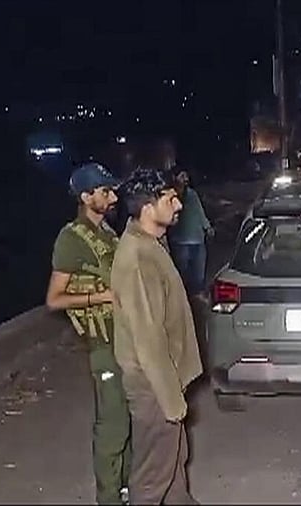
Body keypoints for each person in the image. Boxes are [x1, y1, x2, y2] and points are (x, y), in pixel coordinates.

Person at [110, 167, 204, 505]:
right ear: (148, 208)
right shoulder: (137, 258)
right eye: (170, 199)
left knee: (174, 465)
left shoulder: (150, 243)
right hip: (153, 386)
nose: (178, 204)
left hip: (164, 379)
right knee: (152, 478)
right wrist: (170, 400)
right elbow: (147, 338)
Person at [45, 162, 131, 505]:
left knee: (128, 421)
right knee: (112, 426)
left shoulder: (107, 232)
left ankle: (126, 488)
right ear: (85, 197)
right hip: (102, 344)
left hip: (123, 337)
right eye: (104, 191)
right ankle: (108, 498)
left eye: (112, 190)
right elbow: (54, 300)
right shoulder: (71, 239)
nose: (112, 196)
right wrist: (103, 296)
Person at [165, 170, 214, 300]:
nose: (185, 178)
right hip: (180, 241)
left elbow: (199, 211)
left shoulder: (192, 194)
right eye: (181, 175)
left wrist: (207, 227)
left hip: (198, 239)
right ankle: (183, 297)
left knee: (199, 273)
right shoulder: (171, 196)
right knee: (182, 272)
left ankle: (197, 298)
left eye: (186, 176)